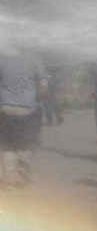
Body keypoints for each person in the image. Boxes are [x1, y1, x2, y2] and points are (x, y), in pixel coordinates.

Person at [0, 52, 48, 189]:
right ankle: (21, 165)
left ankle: (10, 178)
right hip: (28, 108)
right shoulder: (35, 58)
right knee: (25, 142)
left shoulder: (2, 56)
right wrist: (36, 98)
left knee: (7, 144)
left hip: (5, 107)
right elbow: (43, 85)